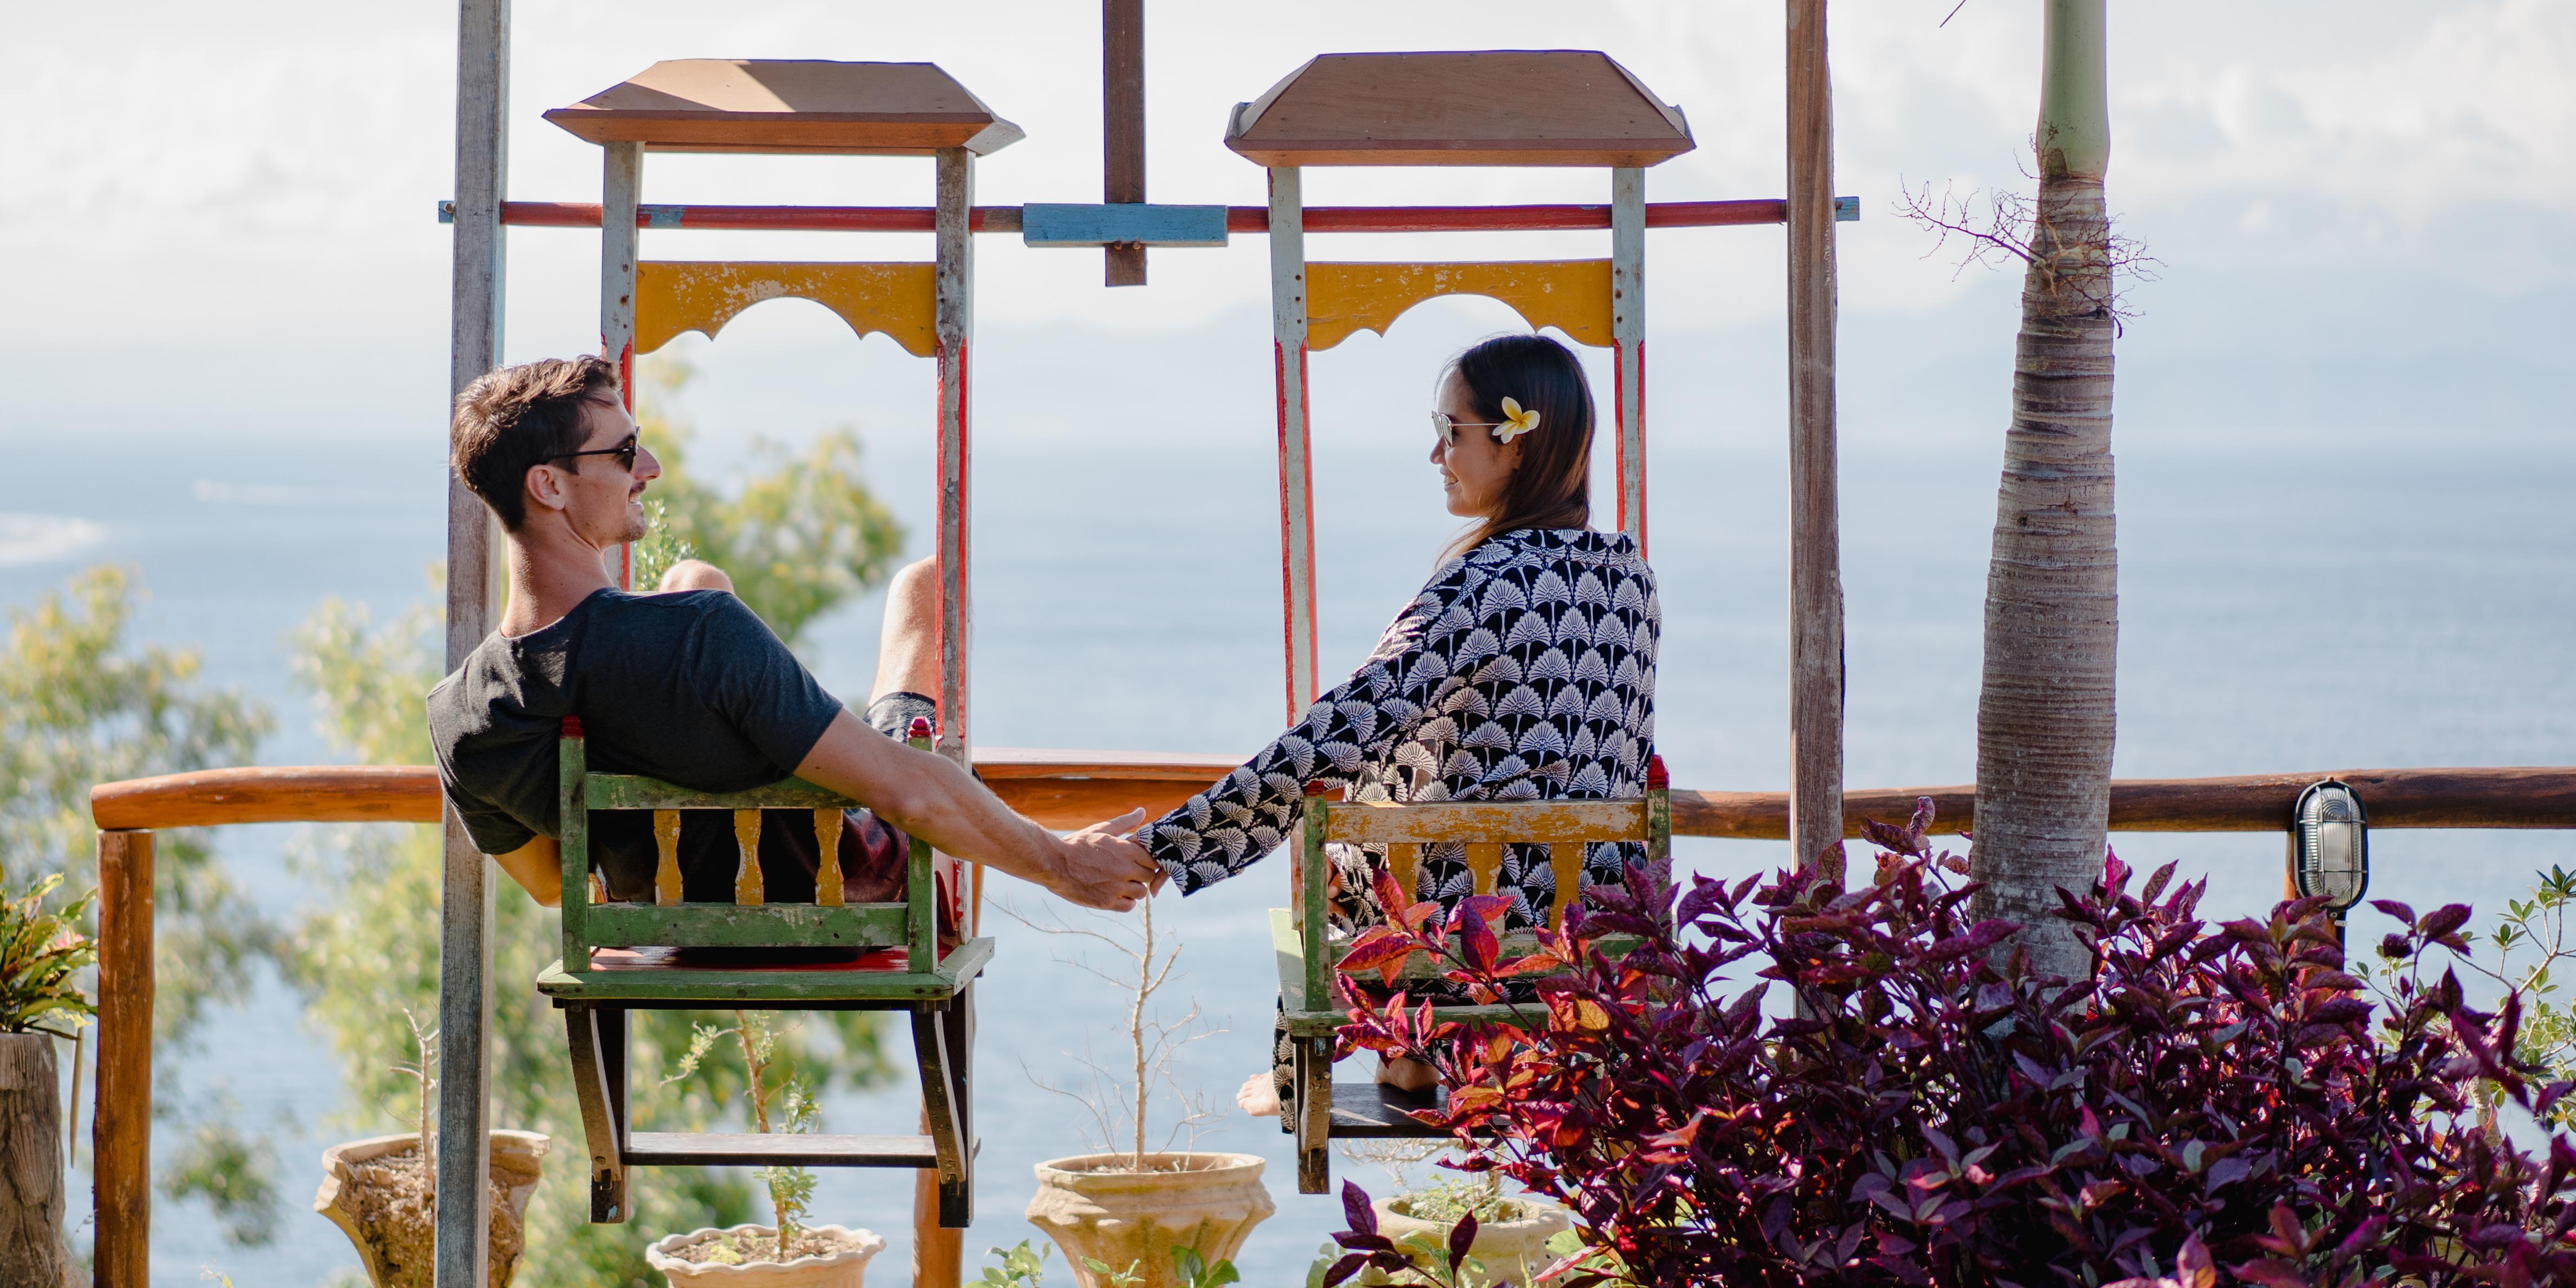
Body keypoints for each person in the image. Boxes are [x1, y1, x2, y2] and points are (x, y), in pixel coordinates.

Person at [428, 355, 1158, 917]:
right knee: (921, 588)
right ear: (549, 486)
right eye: (623, 453)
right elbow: (908, 793)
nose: (648, 468)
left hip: (664, 931)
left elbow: (554, 886)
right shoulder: (698, 639)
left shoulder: (458, 715)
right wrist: (1061, 861)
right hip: (847, 890)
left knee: (694, 576)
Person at [1133, 332, 1659, 1106]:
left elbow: (1341, 726)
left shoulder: (1482, 583)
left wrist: (1173, 845)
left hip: (1462, 922)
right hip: (1586, 916)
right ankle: (1433, 1062)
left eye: (1452, 432)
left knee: (1351, 807)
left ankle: (1375, 1060)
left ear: (1515, 445)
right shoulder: (1632, 577)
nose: (1435, 453)